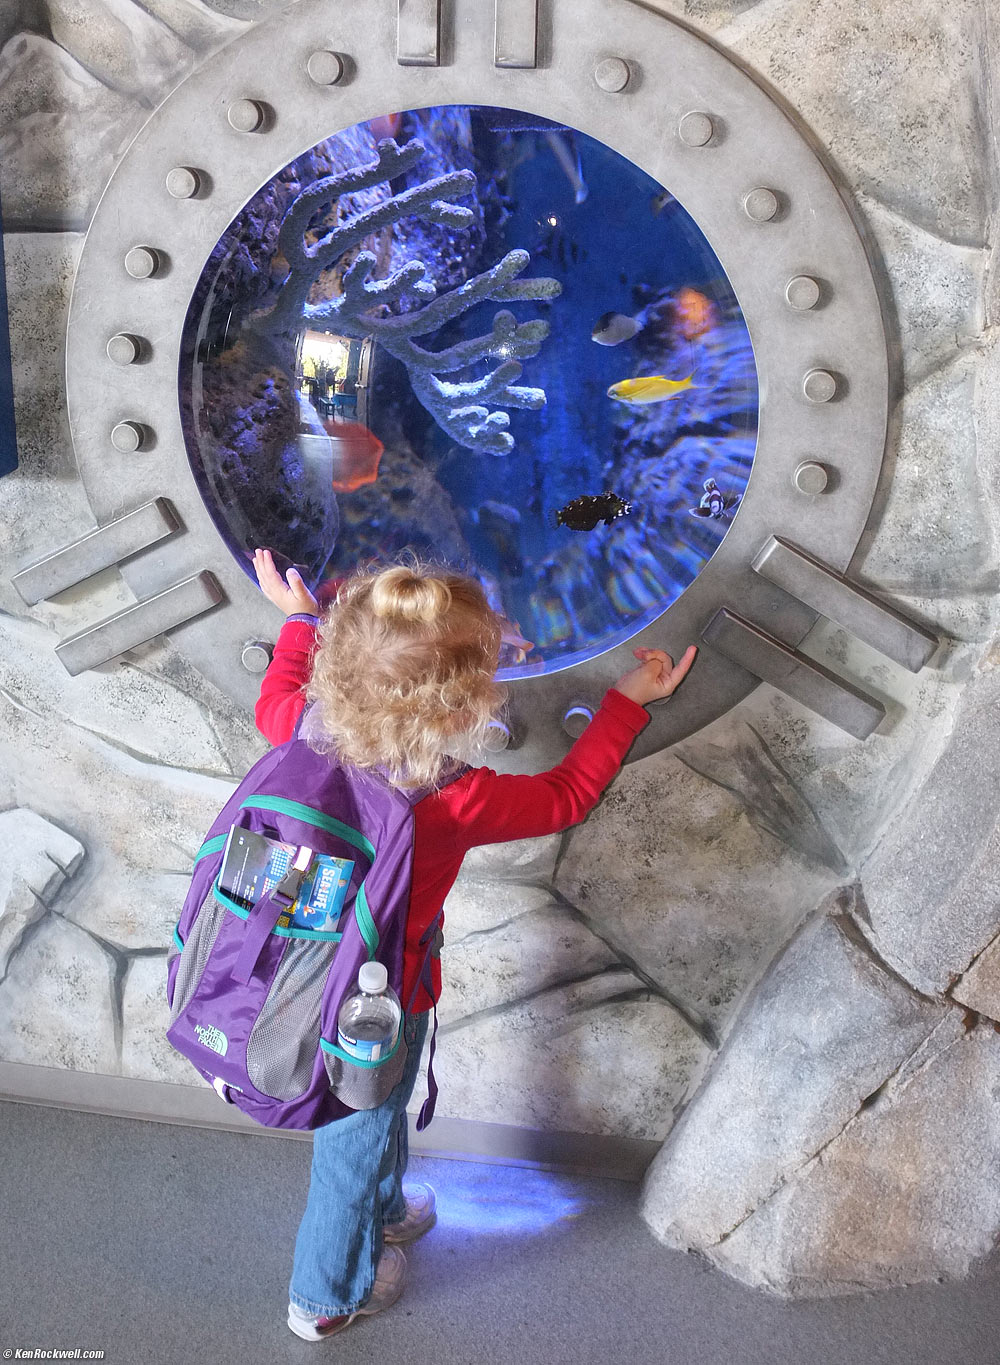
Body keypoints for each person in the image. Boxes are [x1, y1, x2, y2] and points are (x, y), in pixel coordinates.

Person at [250, 547, 697, 1342]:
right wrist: (626, 700)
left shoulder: (302, 730)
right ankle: (322, 1298)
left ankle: (387, 1212)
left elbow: (275, 695)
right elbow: (566, 797)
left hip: (303, 968)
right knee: (349, 1141)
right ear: (461, 710)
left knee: (374, 1110)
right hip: (379, 995)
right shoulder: (455, 797)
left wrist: (295, 621)